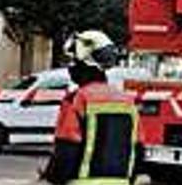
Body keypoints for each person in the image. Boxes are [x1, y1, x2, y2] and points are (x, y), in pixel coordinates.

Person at [41, 30, 139, 185]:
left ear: (84, 63)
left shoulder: (77, 99)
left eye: (73, 62)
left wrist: (51, 178)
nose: (70, 68)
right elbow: (138, 149)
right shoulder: (127, 101)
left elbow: (66, 150)